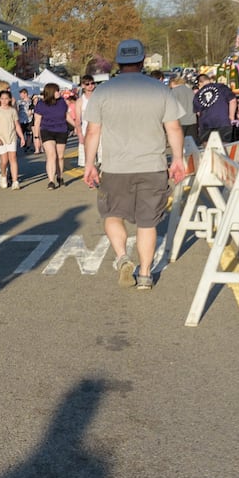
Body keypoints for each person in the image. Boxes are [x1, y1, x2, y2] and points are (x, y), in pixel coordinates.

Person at [82, 39, 188, 292]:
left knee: (111, 215)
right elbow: (173, 127)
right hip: (152, 165)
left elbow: (93, 132)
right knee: (147, 223)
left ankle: (122, 257)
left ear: (119, 62)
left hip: (115, 167)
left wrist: (89, 165)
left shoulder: (103, 91)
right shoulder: (159, 89)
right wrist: (178, 159)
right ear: (142, 61)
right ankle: (145, 274)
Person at [33, 82, 71, 188]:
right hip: (47, 130)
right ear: (51, 92)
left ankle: (60, 176)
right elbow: (37, 122)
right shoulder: (41, 104)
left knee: (61, 156)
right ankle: (51, 180)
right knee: (51, 155)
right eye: (57, 91)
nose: (59, 92)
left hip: (61, 130)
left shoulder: (62, 102)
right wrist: (36, 137)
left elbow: (66, 116)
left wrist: (77, 125)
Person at [0, 87, 22, 189]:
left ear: (10, 99)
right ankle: (3, 175)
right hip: (1, 138)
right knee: (4, 161)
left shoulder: (12, 111)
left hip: (11, 137)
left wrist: (22, 137)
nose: (4, 100)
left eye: (6, 98)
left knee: (13, 159)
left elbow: (16, 125)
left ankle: (15, 181)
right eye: (2, 98)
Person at [193, 73, 239, 147]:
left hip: (206, 123)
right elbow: (233, 100)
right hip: (223, 121)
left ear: (200, 83)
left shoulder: (198, 94)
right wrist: (231, 117)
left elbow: (198, 113)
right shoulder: (222, 87)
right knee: (224, 146)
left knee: (207, 147)